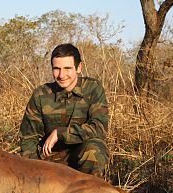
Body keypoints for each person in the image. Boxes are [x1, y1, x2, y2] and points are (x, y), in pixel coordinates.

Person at [19, 43, 109, 177]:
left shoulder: (93, 89)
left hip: (81, 155)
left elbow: (99, 128)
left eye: (67, 68)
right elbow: (28, 138)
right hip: (50, 160)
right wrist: (35, 170)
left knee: (94, 150)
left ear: (79, 68)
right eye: (57, 69)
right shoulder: (41, 94)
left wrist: (60, 133)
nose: (61, 75)